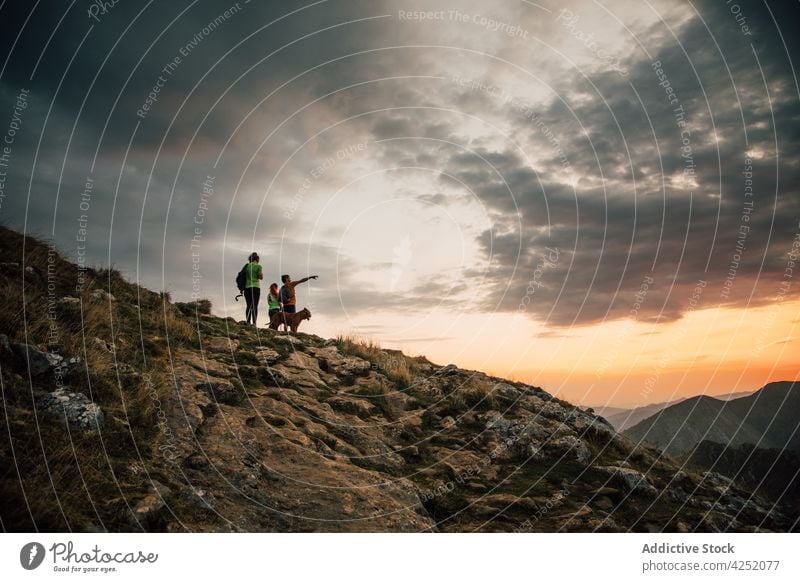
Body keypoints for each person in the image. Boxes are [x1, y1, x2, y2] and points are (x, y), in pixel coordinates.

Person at [243, 252, 263, 326]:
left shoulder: (247, 266)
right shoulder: (258, 266)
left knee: (248, 305)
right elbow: (260, 277)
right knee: (255, 305)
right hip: (255, 287)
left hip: (247, 287)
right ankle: (254, 323)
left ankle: (248, 321)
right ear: (257, 259)